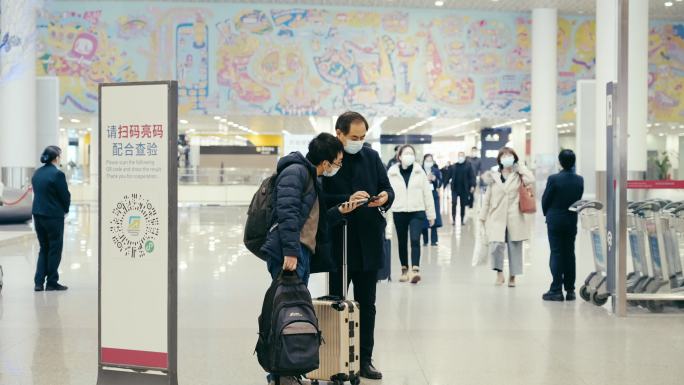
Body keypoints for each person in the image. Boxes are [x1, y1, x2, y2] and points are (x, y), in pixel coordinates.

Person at [260, 133, 362, 385]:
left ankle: (287, 368)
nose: (338, 167)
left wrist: (339, 211)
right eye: (337, 162)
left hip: (299, 250)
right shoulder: (296, 172)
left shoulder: (310, 176)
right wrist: (291, 252)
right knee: (285, 310)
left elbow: (312, 220)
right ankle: (281, 372)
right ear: (326, 162)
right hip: (290, 252)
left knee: (292, 309)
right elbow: (287, 214)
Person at [322, 111, 394, 380]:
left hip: (369, 242)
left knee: (367, 304)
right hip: (340, 243)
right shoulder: (328, 157)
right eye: (354, 137)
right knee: (336, 303)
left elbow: (387, 187)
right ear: (339, 133)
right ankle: (335, 358)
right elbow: (322, 197)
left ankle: (364, 359)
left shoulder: (372, 156)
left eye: (363, 137)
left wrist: (385, 197)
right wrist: (347, 199)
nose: (359, 142)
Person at [479, 147, 535, 287]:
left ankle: (512, 276)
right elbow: (487, 198)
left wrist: (520, 167)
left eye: (510, 155)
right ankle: (499, 274)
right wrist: (482, 216)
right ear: (499, 160)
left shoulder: (519, 175)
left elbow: (531, 179)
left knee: (514, 246)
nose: (507, 158)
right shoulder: (494, 176)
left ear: (514, 158)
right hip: (497, 216)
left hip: (514, 216)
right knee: (496, 246)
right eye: (504, 156)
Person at [387, 146, 436, 284]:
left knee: (415, 240)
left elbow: (427, 194)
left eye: (411, 153)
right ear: (400, 156)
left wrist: (431, 214)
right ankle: (404, 270)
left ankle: (415, 270)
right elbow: (388, 194)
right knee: (402, 242)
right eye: (406, 153)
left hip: (417, 210)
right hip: (399, 211)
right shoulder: (392, 173)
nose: (409, 155)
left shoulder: (419, 172)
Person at [541, 149, 584, 302]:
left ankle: (556, 290)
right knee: (569, 254)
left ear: (560, 162)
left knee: (557, 253)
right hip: (571, 220)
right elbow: (578, 198)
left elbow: (545, 199)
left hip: (555, 220)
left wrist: (548, 213)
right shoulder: (580, 180)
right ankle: (570, 290)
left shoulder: (554, 179)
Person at [32, 146, 70, 292]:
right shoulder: (57, 174)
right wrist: (65, 210)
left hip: (38, 215)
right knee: (55, 248)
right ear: (56, 157)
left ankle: (38, 282)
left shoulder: (37, 173)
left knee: (43, 248)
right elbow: (64, 196)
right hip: (53, 216)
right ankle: (52, 282)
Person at [448, 151, 475, 225]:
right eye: (459, 156)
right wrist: (444, 184)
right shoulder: (454, 166)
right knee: (454, 203)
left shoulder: (468, 166)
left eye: (462, 156)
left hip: (464, 189)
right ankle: (453, 219)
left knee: (462, 204)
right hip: (455, 188)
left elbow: (472, 176)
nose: (460, 157)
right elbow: (448, 176)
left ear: (464, 157)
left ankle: (462, 219)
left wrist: (472, 185)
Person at [421, 154, 442, 246]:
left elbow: (440, 183)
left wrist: (435, 179)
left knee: (434, 216)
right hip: (422, 196)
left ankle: (434, 240)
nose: (429, 162)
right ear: (424, 160)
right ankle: (425, 240)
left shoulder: (436, 171)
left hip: (433, 196)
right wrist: (425, 179)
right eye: (427, 160)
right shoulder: (419, 170)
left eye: (430, 160)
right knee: (424, 217)